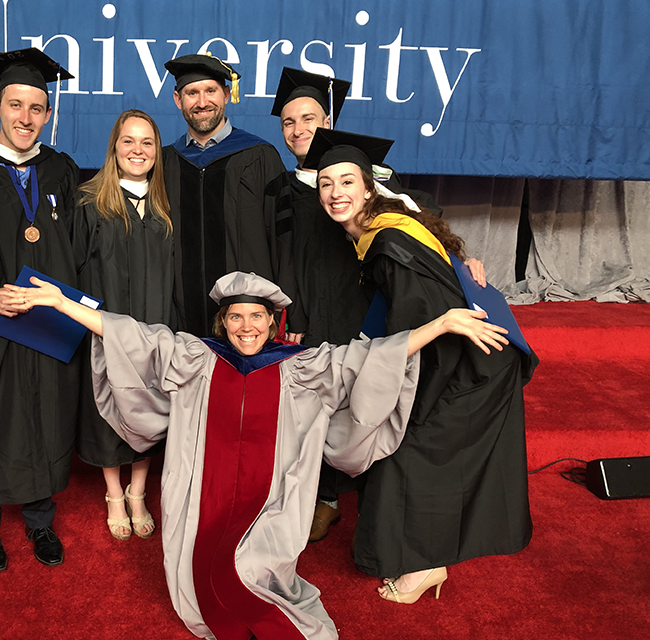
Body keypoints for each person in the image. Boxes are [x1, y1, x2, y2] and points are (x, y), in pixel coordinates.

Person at [3, 270, 509, 639]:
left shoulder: (301, 366)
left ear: (273, 322)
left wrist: (440, 325)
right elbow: (129, 336)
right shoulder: (196, 359)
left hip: (272, 502)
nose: (247, 327)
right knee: (202, 583)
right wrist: (63, 305)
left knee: (252, 574)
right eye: (237, 317)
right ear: (223, 322)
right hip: (204, 499)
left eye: (257, 317)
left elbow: (370, 360)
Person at [305, 128, 537, 604]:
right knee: (409, 451)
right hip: (468, 355)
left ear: (369, 187)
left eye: (347, 182)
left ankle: (426, 567)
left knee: (408, 453)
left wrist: (405, 390)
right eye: (326, 183)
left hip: (469, 366)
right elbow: (443, 273)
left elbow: (427, 323)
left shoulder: (389, 244)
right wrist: (464, 263)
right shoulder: (390, 226)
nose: (335, 193)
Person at [266, 67, 487, 543]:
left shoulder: (373, 179)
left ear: (329, 119)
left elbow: (420, 222)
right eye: (288, 122)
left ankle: (378, 500)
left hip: (371, 309)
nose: (299, 129)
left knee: (373, 403)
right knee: (319, 406)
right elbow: (282, 258)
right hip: (316, 311)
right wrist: (295, 317)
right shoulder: (284, 188)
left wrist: (463, 256)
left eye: (309, 118)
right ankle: (324, 499)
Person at [0, 48, 80, 572]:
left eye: (37, 108)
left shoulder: (62, 168)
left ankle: (39, 519)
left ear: (48, 113)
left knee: (45, 415)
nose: (25, 118)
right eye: (15, 106)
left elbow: (79, 246)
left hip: (49, 326)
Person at [71, 110, 173, 540]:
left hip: (154, 328)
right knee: (109, 407)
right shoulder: (89, 202)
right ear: (114, 146)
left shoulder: (166, 206)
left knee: (149, 407)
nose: (137, 150)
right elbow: (75, 270)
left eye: (147, 142)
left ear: (156, 152)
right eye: (128, 141)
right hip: (106, 328)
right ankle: (114, 491)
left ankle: (139, 489)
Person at [161, 53, 286, 336]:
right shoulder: (166, 161)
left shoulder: (259, 156)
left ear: (227, 95)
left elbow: (282, 239)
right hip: (180, 314)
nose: (202, 102)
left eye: (211, 91)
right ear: (178, 100)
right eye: (192, 92)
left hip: (246, 319)